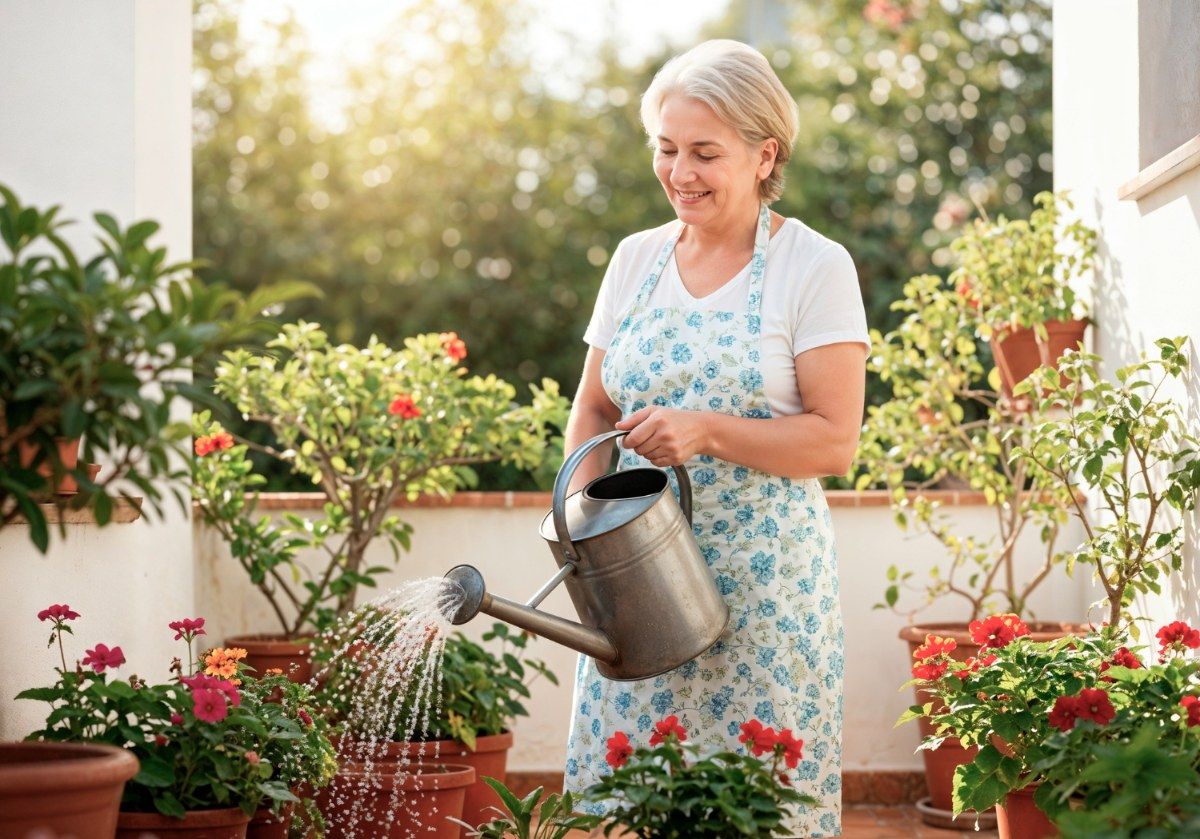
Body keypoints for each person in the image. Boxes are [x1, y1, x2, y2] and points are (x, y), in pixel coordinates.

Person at [560, 39, 870, 836]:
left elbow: (834, 441)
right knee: (638, 800)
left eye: (705, 153)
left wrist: (705, 433)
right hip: (637, 585)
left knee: (755, 804)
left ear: (766, 155)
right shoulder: (635, 260)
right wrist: (586, 535)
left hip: (763, 588)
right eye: (666, 149)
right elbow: (592, 409)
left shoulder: (813, 266)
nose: (680, 173)